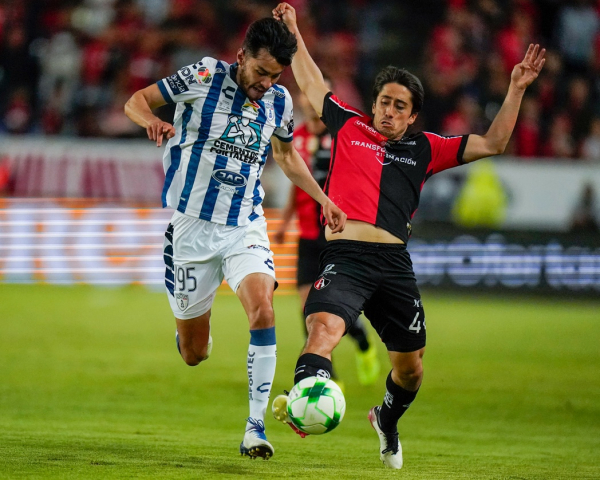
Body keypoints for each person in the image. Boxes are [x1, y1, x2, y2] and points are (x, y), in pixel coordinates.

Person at [271, 2, 545, 469]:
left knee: (411, 370)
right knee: (322, 330)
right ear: (373, 103)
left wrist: (516, 88)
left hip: (395, 266)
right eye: (384, 102)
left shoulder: (426, 148)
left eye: (400, 106)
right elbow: (312, 80)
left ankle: (386, 421)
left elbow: (495, 143)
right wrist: (293, 30)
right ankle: (302, 403)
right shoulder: (348, 125)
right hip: (347, 257)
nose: (389, 112)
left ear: (412, 115)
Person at [124, 17, 347, 461]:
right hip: (190, 231)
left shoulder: (279, 102)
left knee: (263, 309)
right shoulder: (203, 75)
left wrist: (323, 197)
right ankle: (192, 337)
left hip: (244, 225)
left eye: (275, 76)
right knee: (193, 354)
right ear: (241, 56)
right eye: (261, 73)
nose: (267, 83)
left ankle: (255, 427)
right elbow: (136, 100)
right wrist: (150, 119)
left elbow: (285, 155)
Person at [273, 82, 381, 387]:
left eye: (314, 97)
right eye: (305, 97)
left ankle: (362, 342)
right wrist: (284, 223)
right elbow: (298, 183)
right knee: (307, 306)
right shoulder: (298, 137)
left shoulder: (344, 138)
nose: (308, 102)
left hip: (337, 233)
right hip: (307, 232)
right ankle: (327, 372)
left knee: (337, 306)